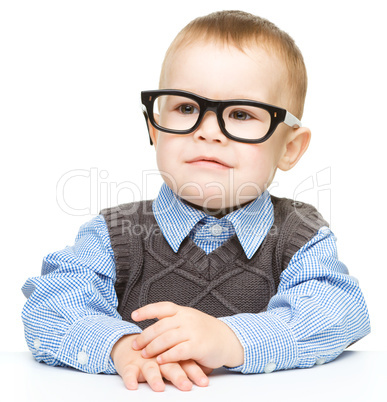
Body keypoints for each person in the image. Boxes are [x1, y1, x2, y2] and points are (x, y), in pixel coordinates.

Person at [21, 10, 370, 392]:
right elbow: (51, 303)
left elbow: (338, 311)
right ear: (155, 129)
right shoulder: (115, 234)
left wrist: (229, 340)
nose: (207, 131)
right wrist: (119, 346)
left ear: (289, 148)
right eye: (186, 108)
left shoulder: (299, 235)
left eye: (239, 114)